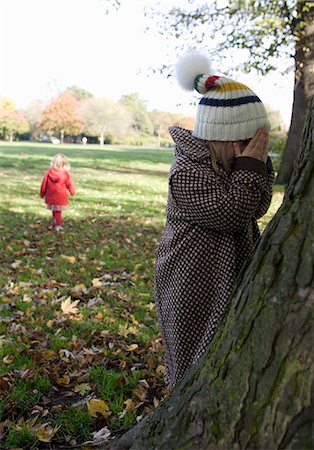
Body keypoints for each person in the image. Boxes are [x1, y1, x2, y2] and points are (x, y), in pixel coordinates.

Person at [154, 50, 275, 389]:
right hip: (189, 279)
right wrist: (249, 169)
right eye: (249, 143)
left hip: (230, 272)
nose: (255, 150)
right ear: (222, 137)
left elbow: (258, 205)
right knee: (192, 357)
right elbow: (229, 213)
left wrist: (255, 167)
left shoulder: (235, 166)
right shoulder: (187, 172)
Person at [40, 153, 76, 232]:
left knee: (54, 210)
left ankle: (55, 221)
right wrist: (72, 192)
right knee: (58, 211)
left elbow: (44, 184)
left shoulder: (49, 173)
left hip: (51, 195)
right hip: (60, 196)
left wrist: (42, 193)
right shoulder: (65, 174)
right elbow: (69, 184)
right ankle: (58, 225)